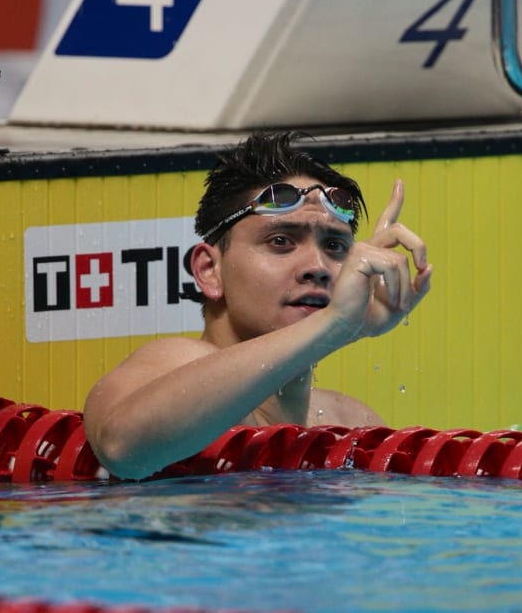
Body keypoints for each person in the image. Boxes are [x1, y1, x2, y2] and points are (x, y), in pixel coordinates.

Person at [84, 131, 433, 480]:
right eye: (281, 241)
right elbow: (122, 448)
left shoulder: (350, 422)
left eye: (335, 247)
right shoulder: (173, 363)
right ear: (209, 270)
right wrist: (337, 325)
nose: (318, 267)